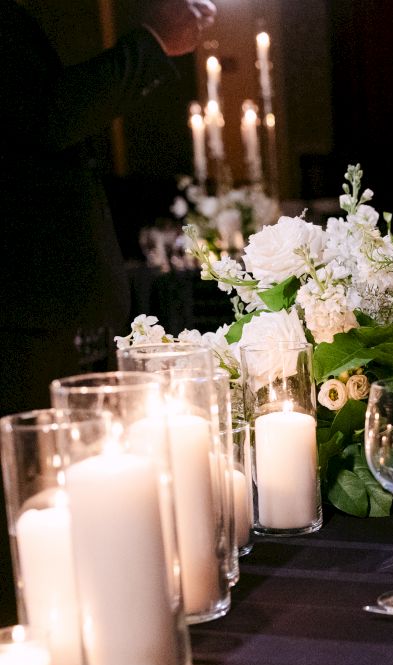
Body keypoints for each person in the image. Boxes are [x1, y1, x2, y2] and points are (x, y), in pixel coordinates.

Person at [0, 0, 216, 623]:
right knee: (38, 502)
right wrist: (151, 45)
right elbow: (45, 115)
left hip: (37, 308)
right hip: (23, 311)